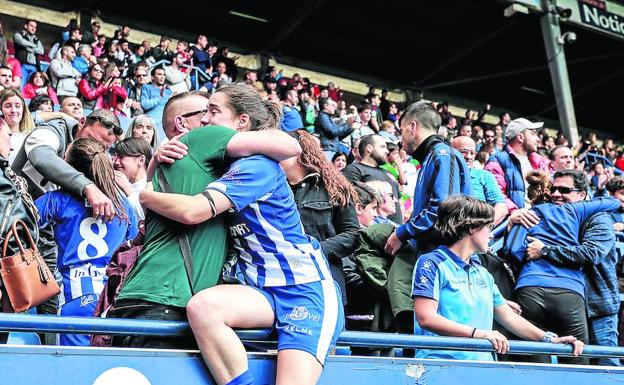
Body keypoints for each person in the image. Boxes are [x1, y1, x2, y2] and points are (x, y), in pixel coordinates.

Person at [138, 84, 342, 385]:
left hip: (304, 289)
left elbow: (192, 211)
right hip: (259, 290)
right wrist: (158, 157)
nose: (205, 119)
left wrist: (143, 196)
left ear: (242, 123)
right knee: (203, 308)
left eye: (213, 111)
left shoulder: (257, 166)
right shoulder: (218, 167)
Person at [113, 89, 303, 349]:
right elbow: (290, 146)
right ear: (181, 123)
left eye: (212, 112)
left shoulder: (185, 162)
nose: (205, 119)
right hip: (166, 297)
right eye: (204, 111)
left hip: (154, 294)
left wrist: (153, 168)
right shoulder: (205, 137)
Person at [412, 195, 584, 361]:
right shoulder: (431, 263)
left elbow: (509, 317)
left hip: (483, 367)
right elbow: (426, 318)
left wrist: (548, 339)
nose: (492, 235)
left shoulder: (482, 273)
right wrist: (478, 334)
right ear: (472, 227)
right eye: (489, 227)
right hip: (441, 366)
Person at [505, 170, 620, 364]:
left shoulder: (598, 217)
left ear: (582, 195)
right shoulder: (539, 214)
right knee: (543, 367)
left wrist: (545, 250)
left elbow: (592, 253)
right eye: (554, 189)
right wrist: (512, 219)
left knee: (603, 368)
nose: (557, 193)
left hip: (597, 308)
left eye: (564, 189)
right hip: (569, 298)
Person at [35, 138, 138, 346]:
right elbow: (135, 248)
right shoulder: (124, 206)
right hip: (112, 301)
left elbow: (18, 225)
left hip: (73, 299)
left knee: (71, 372)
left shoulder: (56, 200)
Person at [384, 101, 472, 333]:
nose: (401, 139)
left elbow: (444, 208)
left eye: (402, 130)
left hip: (445, 260)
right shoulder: (432, 158)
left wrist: (402, 233)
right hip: (435, 257)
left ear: (413, 127)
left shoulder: (442, 154)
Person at [282, 129, 359, 306]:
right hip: (281, 278)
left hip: (324, 277)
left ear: (300, 153)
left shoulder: (336, 188)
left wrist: (314, 251)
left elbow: (353, 234)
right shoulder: (268, 188)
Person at [485, 118, 550, 211]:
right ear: (520, 137)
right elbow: (496, 195)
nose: (538, 139)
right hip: (515, 222)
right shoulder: (497, 160)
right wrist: (515, 212)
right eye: (533, 133)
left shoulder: (540, 162)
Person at [343, 134, 402, 224]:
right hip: (373, 230)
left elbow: (398, 200)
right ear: (369, 148)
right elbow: (350, 203)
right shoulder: (354, 169)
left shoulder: (388, 173)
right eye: (382, 147)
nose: (387, 151)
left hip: (396, 230)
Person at [451, 135, 508, 225]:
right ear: (451, 153)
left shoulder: (484, 175)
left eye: (472, 153)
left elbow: (501, 207)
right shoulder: (444, 175)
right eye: (463, 152)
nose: (468, 157)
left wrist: (484, 228)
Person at [113, 138, 151, 220]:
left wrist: (128, 190)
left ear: (141, 160)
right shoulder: (116, 184)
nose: (116, 162)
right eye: (116, 157)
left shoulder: (153, 186)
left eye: (121, 157)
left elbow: (147, 220)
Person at [0, 89, 35, 165]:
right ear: (1, 109)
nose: (13, 110)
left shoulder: (31, 138)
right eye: (8, 106)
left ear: (23, 109)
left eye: (17, 106)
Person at [141, 66, 172, 141]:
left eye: (164, 75)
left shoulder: (168, 91)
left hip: (164, 126)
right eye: (159, 74)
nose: (162, 77)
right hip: (150, 123)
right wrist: (159, 97)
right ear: (152, 77)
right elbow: (145, 105)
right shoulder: (146, 87)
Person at [13, 19, 43, 89]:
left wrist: (27, 47)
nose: (33, 28)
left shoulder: (37, 39)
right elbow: (21, 42)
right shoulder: (18, 34)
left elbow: (41, 51)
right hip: (22, 65)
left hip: (34, 67)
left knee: (32, 88)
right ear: (26, 26)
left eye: (35, 27)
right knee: (21, 86)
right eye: (31, 26)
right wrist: (34, 47)